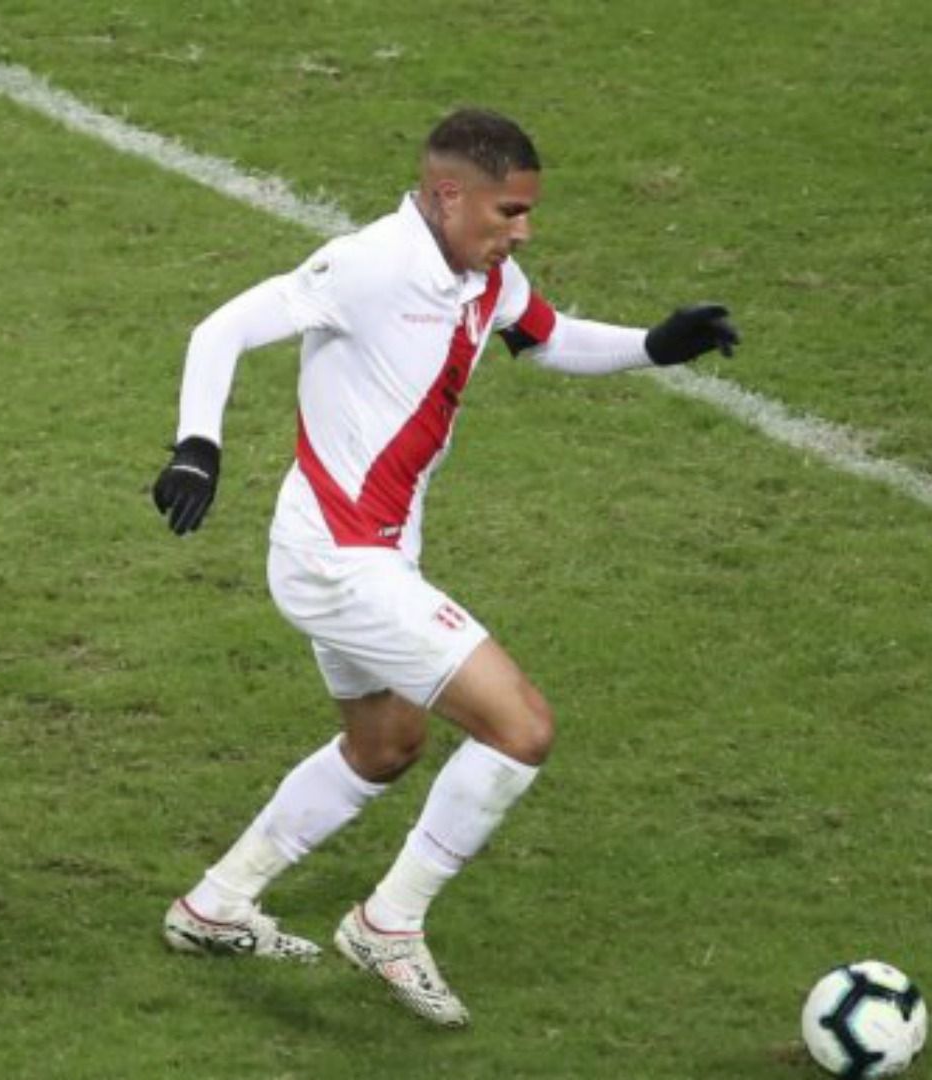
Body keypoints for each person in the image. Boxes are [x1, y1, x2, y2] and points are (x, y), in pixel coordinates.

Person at [150, 109, 739, 1026]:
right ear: (448, 194)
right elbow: (221, 328)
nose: (522, 229)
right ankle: (390, 922)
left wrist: (653, 347)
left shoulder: (485, 275)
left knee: (385, 746)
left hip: (368, 553)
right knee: (522, 728)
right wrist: (197, 446)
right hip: (341, 560)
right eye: (509, 211)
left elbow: (546, 337)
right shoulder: (371, 265)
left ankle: (215, 905)